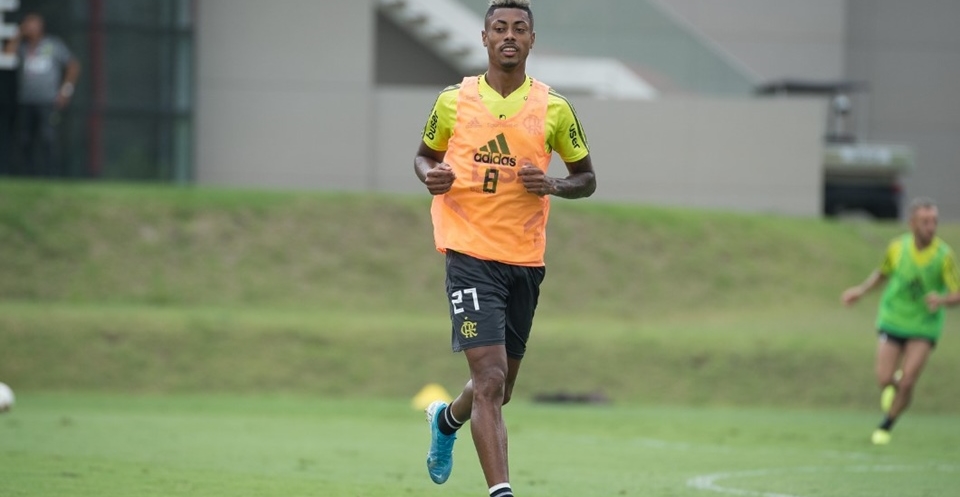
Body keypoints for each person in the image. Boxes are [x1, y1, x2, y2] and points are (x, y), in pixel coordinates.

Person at [413, 1, 596, 495]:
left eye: (519, 28)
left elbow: (586, 178)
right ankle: (502, 492)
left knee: (500, 388)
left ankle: (446, 421)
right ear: (485, 38)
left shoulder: (554, 108)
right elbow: (424, 156)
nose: (509, 35)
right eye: (499, 28)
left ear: (532, 40)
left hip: (524, 260)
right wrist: (432, 175)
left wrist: (553, 185)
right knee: (489, 380)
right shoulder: (453, 101)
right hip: (468, 253)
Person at [841, 198, 960, 445]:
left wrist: (941, 299)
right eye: (925, 221)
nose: (931, 227)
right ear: (912, 223)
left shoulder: (944, 256)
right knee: (884, 379)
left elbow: (957, 293)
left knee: (907, 381)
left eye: (934, 221)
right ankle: (892, 386)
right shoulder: (897, 248)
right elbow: (882, 273)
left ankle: (886, 425)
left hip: (924, 325)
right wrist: (860, 291)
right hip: (894, 318)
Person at [2, 13, 80, 177]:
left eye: (34, 24)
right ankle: (27, 175)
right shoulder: (22, 47)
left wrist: (66, 90)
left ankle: (52, 175)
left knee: (48, 137)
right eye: (28, 24)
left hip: (48, 101)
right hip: (26, 100)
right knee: (24, 139)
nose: (31, 27)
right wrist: (19, 34)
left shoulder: (53, 44)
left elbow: (73, 65)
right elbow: (7, 57)